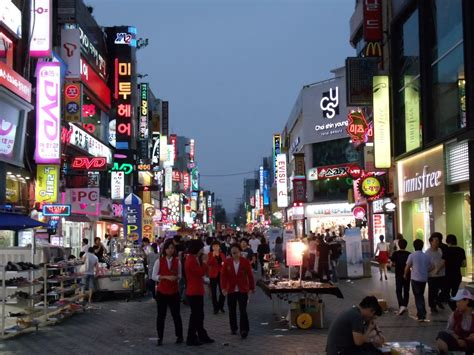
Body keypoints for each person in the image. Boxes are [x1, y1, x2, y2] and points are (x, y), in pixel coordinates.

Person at [152, 240, 184, 346]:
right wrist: (165, 277)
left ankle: (179, 336)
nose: (170, 250)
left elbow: (180, 275)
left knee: (176, 315)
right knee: (161, 316)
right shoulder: (159, 261)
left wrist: (175, 278)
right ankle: (160, 337)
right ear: (164, 249)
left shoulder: (177, 261)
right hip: (162, 292)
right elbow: (154, 276)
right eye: (168, 248)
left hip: (174, 292)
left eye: (172, 248)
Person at [221, 243, 255, 339]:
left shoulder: (245, 262)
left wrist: (252, 288)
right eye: (233, 252)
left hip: (242, 289)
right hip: (231, 290)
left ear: (240, 252)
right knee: (232, 310)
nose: (234, 253)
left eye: (236, 251)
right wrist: (223, 288)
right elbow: (223, 276)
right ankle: (233, 328)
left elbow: (250, 275)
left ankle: (244, 330)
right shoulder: (227, 262)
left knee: (243, 310)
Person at [185, 239, 214, 346]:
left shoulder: (194, 259)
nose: (202, 250)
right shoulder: (191, 260)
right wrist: (205, 263)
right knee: (196, 316)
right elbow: (200, 272)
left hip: (197, 290)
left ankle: (200, 335)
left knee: (198, 315)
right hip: (193, 291)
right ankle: (192, 337)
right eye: (201, 248)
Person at [436, 289, 474, 354]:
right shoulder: (455, 314)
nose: (457, 304)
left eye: (459, 301)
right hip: (459, 343)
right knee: (442, 335)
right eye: (456, 302)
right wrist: (456, 338)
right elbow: (448, 330)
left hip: (472, 346)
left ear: (467, 301)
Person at [404, 239, 434, 322]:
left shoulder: (412, 255)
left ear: (414, 246)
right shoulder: (426, 256)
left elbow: (407, 266)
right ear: (422, 246)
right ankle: (422, 312)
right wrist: (426, 270)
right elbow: (433, 266)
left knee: (418, 296)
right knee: (420, 294)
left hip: (415, 279)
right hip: (424, 279)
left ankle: (421, 315)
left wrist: (405, 274)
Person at [443, 234, 467, 310]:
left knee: (446, 291)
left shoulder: (446, 250)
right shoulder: (461, 250)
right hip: (457, 274)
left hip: (447, 274)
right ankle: (453, 303)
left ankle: (450, 302)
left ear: (447, 241)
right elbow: (464, 264)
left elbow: (443, 262)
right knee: (454, 291)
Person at [425, 232, 446, 313]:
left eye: (438, 241)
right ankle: (432, 306)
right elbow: (426, 265)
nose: (438, 242)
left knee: (444, 290)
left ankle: (438, 300)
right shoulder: (427, 253)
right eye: (436, 241)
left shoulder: (440, 250)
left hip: (442, 274)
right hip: (432, 276)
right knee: (432, 292)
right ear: (431, 242)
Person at [390, 239, 411, 315]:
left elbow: (393, 263)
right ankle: (405, 305)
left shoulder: (395, 254)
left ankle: (401, 305)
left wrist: (395, 264)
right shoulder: (409, 254)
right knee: (406, 290)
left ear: (398, 245)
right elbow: (410, 264)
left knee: (398, 290)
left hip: (398, 274)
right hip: (407, 274)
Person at [208, 240, 226, 314]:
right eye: (214, 246)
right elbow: (209, 263)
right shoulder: (210, 254)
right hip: (213, 275)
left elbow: (224, 263)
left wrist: (221, 262)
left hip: (221, 274)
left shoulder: (222, 254)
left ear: (219, 247)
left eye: (217, 246)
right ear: (212, 247)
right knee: (214, 292)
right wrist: (213, 256)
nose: (215, 247)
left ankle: (220, 306)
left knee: (223, 291)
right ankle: (215, 307)